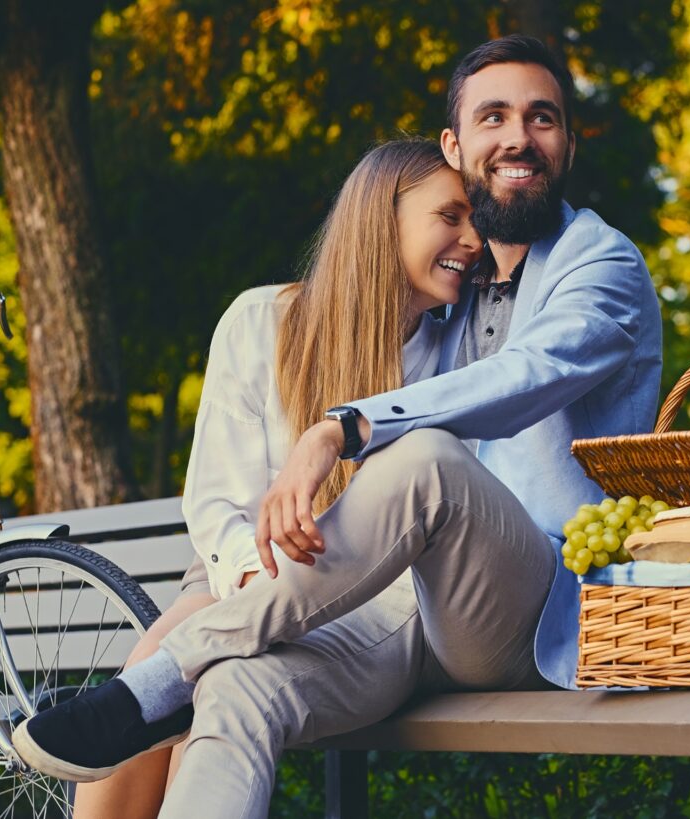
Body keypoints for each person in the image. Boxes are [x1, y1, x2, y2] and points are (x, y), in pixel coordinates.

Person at [14, 35, 663, 818]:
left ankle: (154, 682)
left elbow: (520, 382)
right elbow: (224, 506)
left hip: (521, 610)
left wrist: (341, 428)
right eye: (494, 116)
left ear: (568, 140)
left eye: (542, 117)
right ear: (456, 147)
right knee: (238, 689)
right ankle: (179, 676)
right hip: (377, 610)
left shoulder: (600, 268)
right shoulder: (439, 301)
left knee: (422, 458)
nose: (519, 136)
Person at [69, 136, 482, 819]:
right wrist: (263, 587)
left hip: (369, 608)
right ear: (383, 217)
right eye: (451, 216)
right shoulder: (262, 321)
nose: (472, 239)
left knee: (201, 666)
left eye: (476, 221)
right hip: (238, 578)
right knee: (188, 644)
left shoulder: (457, 357)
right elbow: (216, 506)